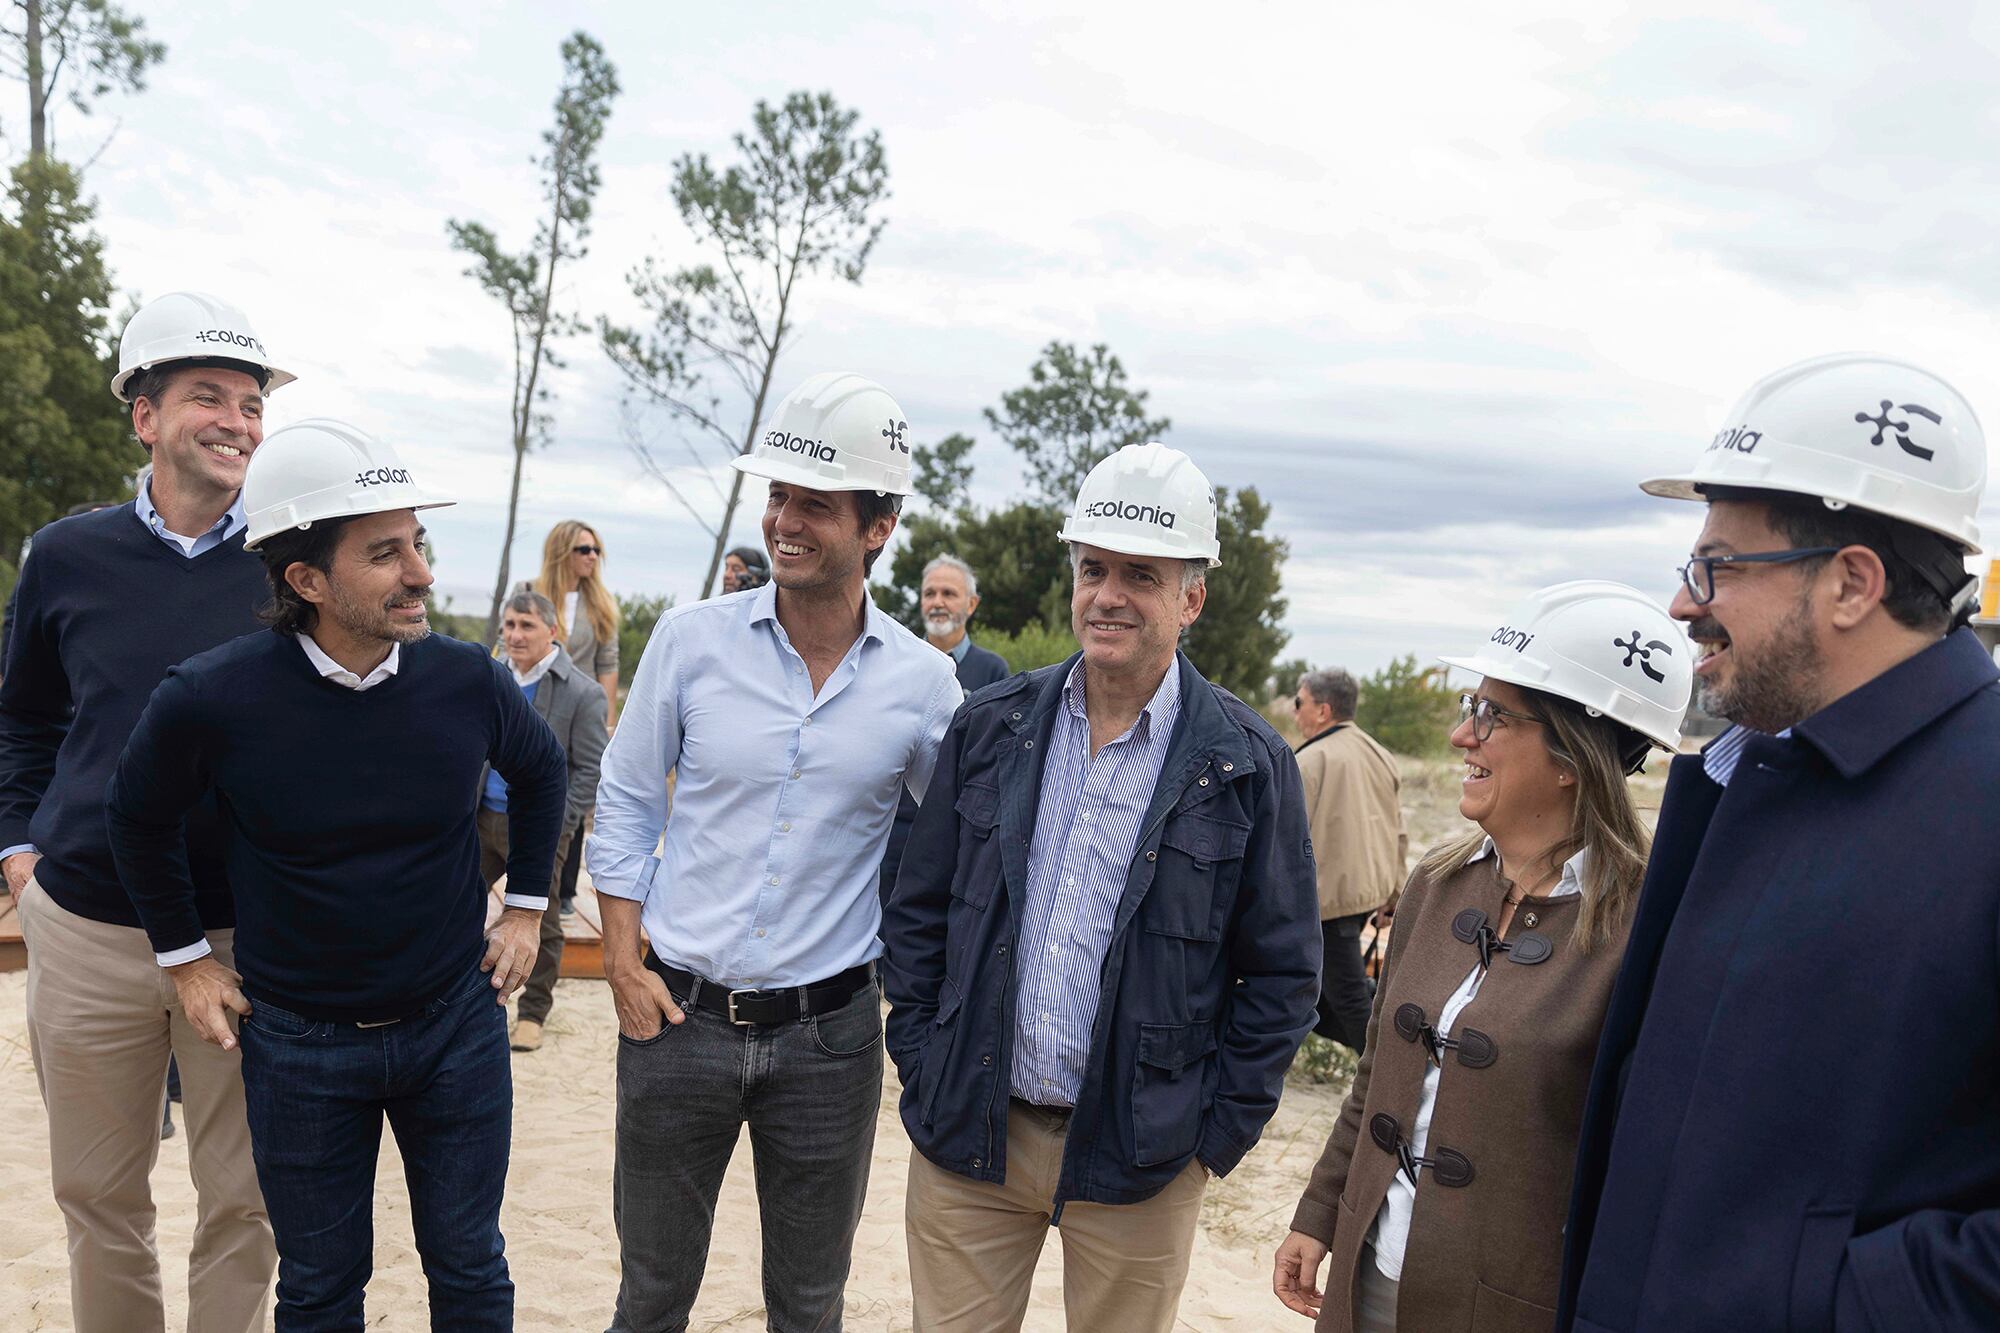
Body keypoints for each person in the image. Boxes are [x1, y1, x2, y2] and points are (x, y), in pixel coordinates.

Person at [1559, 355, 2000, 1330]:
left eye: (1715, 565)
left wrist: (1806, 1301)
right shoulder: (1745, 769)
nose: (1681, 604)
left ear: (1850, 583)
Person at [103, 419, 568, 1330]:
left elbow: (545, 771)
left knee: (472, 1268)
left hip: (455, 1028)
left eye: (418, 545)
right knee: (319, 1289)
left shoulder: (465, 679)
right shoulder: (211, 694)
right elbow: (136, 817)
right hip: (298, 1043)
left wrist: (524, 909)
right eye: (386, 553)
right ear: (305, 579)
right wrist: (186, 959)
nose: (422, 574)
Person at [883, 441, 1322, 1333]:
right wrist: (925, 1061)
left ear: (1191, 597)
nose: (1110, 593)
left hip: (1142, 1155)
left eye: (1142, 574)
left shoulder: (1246, 763)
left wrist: (1209, 1138)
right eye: (1094, 569)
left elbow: (1282, 975)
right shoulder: (993, 725)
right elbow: (917, 907)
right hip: (972, 1133)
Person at [589, 372, 958, 1332]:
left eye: (815, 504)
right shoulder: (690, 642)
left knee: (807, 1303)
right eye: (778, 497)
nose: (785, 521)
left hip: (831, 1040)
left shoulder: (925, 685)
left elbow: (970, 837)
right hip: (675, 1021)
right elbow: (626, 799)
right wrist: (622, 959)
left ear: (878, 525)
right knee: (651, 1294)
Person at [1273, 583, 1690, 1332]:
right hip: (1370, 1273)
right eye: (1473, 707)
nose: (1463, 735)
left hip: (1512, 1306)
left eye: (1491, 715)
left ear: (1572, 756)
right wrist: (1321, 1211)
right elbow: (1376, 1076)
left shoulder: (1651, 924)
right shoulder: (1439, 882)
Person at [0, 291, 290, 1333]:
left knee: (247, 1195)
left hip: (242, 932)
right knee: (99, 1195)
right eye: (208, 396)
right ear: (144, 415)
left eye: (252, 404)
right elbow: (22, 717)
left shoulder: (293, 565)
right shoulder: (64, 556)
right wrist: (20, 849)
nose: (237, 422)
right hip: (84, 927)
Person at [476, 588, 608, 1052]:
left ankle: (532, 1013)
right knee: (453, 903)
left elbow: (590, 768)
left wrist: (561, 823)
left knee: (541, 919)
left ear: (552, 631)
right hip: (480, 818)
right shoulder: (487, 679)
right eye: (509, 625)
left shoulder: (583, 694)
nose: (515, 634)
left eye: (526, 625)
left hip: (537, 829)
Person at [877, 553, 1011, 901]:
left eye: (948, 594)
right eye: (929, 593)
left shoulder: (993, 672)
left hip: (954, 836)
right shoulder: (898, 665)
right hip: (892, 833)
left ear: (972, 603)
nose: (937, 602)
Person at [1291, 668, 1406, 1054]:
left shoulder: (1310, 761)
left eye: (1299, 703)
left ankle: (1385, 1074)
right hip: (1364, 898)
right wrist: (1393, 893)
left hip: (1329, 904)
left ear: (1322, 710)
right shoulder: (1379, 753)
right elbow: (1398, 830)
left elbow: (1282, 840)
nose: (1295, 714)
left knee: (1348, 999)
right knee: (1321, 997)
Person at [530, 519, 620, 725]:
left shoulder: (601, 603)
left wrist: (608, 724)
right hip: (530, 705)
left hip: (582, 712)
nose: (593, 556)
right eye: (585, 549)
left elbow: (607, 665)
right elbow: (505, 649)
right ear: (561, 552)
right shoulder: (527, 592)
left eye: (596, 550)